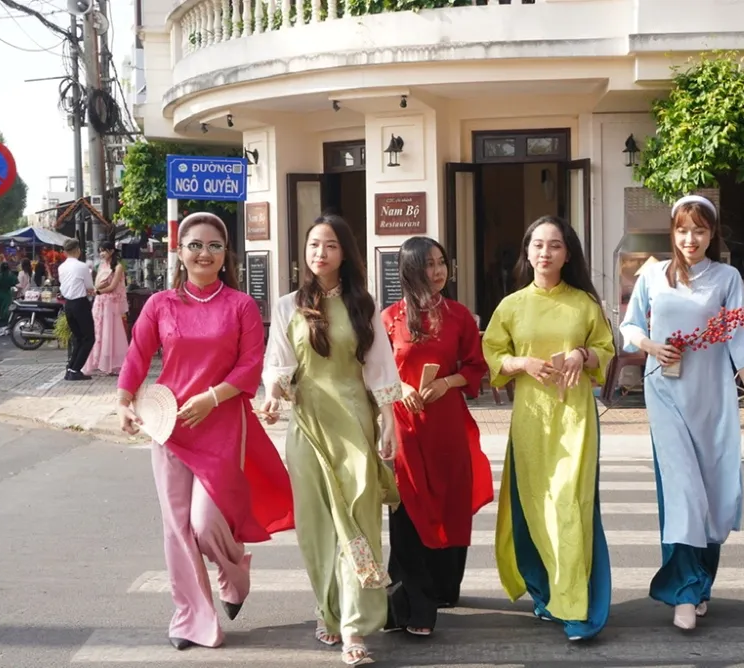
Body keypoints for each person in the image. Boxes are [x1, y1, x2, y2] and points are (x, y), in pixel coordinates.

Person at [117, 211, 294, 651]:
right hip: (170, 425)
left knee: (204, 522)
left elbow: (250, 363)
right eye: (195, 244)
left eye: (214, 246)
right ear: (180, 252)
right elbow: (138, 354)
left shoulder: (241, 305)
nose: (204, 253)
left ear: (225, 254)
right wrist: (123, 401)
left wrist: (212, 397)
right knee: (177, 527)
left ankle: (234, 571)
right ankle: (190, 618)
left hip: (221, 424)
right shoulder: (161, 304)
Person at [619, 194, 744, 631]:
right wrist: (649, 345)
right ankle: (683, 592)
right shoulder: (652, 275)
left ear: (711, 234)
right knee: (683, 492)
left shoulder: (726, 277)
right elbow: (630, 326)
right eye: (683, 230)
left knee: (713, 494)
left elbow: (739, 338)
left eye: (700, 230)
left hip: (714, 398)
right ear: (673, 231)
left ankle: (701, 585)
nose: (690, 238)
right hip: (665, 395)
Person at [260, 214, 401, 667]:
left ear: (345, 253)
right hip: (307, 427)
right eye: (314, 245)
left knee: (357, 519)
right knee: (318, 527)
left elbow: (380, 368)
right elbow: (278, 366)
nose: (321, 253)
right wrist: (271, 397)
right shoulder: (288, 306)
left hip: (355, 425)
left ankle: (354, 626)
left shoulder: (363, 305)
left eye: (331, 246)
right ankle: (328, 609)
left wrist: (389, 420)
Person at [481, 215, 615, 641]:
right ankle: (545, 592)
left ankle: (576, 608)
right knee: (534, 508)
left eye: (554, 245)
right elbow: (493, 357)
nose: (545, 252)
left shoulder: (584, 304)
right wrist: (521, 363)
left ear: (567, 254)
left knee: (569, 508)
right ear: (527, 252)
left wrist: (581, 354)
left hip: (575, 418)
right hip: (530, 420)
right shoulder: (511, 306)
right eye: (537, 245)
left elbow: (605, 350)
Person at [380, 236, 492, 637]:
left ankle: (442, 588)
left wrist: (447, 383)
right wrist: (402, 388)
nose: (438, 271)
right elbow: (378, 373)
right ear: (410, 269)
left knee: (448, 506)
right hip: (405, 429)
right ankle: (415, 606)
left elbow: (477, 368)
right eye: (428, 264)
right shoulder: (389, 317)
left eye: (441, 262)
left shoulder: (460, 316)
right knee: (407, 515)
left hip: (446, 426)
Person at [83, 240, 129, 375]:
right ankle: (97, 362)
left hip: (110, 304)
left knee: (110, 332)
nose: (102, 254)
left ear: (112, 251)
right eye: (100, 251)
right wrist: (96, 290)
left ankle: (111, 363)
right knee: (98, 331)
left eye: (104, 250)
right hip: (99, 303)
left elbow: (112, 286)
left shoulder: (119, 267)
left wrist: (98, 291)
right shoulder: (102, 266)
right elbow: (98, 283)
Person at [58, 239, 96, 381]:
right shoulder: (82, 266)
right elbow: (89, 286)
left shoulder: (61, 267)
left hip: (68, 305)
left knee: (78, 338)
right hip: (80, 303)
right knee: (89, 338)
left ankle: (71, 368)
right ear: (77, 250)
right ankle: (74, 369)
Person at [0, 262, 18, 333]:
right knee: (6, 310)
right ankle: (5, 327)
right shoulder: (11, 275)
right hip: (7, 294)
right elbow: (16, 282)